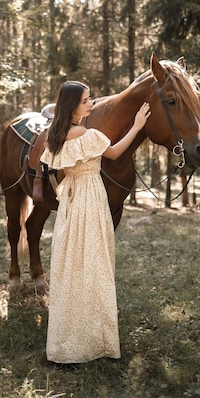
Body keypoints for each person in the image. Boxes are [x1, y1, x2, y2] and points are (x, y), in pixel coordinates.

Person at [40, 80, 151, 364]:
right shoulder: (86, 134)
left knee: (72, 265)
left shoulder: (58, 134)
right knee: (95, 264)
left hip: (72, 202)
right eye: (87, 100)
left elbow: (63, 173)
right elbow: (114, 152)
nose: (92, 104)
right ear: (74, 106)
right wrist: (137, 125)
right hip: (89, 198)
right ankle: (92, 339)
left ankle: (68, 340)